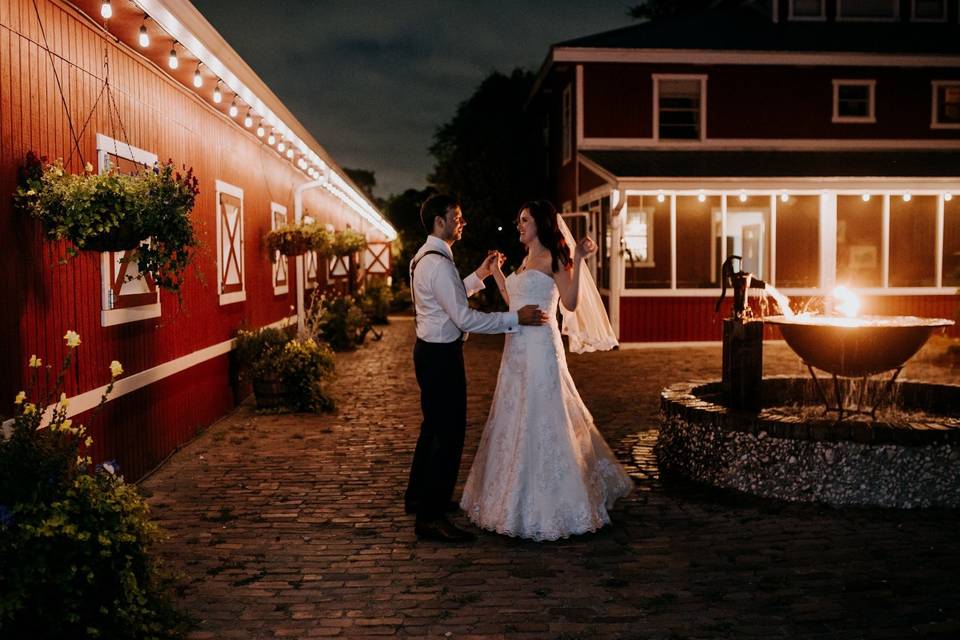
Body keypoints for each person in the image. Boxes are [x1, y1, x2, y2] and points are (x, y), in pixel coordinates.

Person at [460, 199, 633, 541]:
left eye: (524, 220)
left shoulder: (555, 258)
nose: (519, 225)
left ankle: (558, 504)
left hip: (541, 347)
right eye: (519, 221)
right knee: (516, 416)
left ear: (540, 222)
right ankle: (511, 499)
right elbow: (513, 303)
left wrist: (580, 260)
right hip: (516, 349)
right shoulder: (524, 262)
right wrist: (495, 272)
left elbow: (569, 303)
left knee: (543, 414)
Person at [406, 194, 548, 543]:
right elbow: (464, 316)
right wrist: (515, 318)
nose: (462, 222)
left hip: (430, 351)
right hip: (441, 357)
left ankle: (419, 498)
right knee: (449, 434)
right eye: (457, 217)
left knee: (432, 429)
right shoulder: (437, 263)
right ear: (440, 221)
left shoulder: (426, 257)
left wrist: (481, 274)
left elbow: (449, 296)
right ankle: (431, 517)